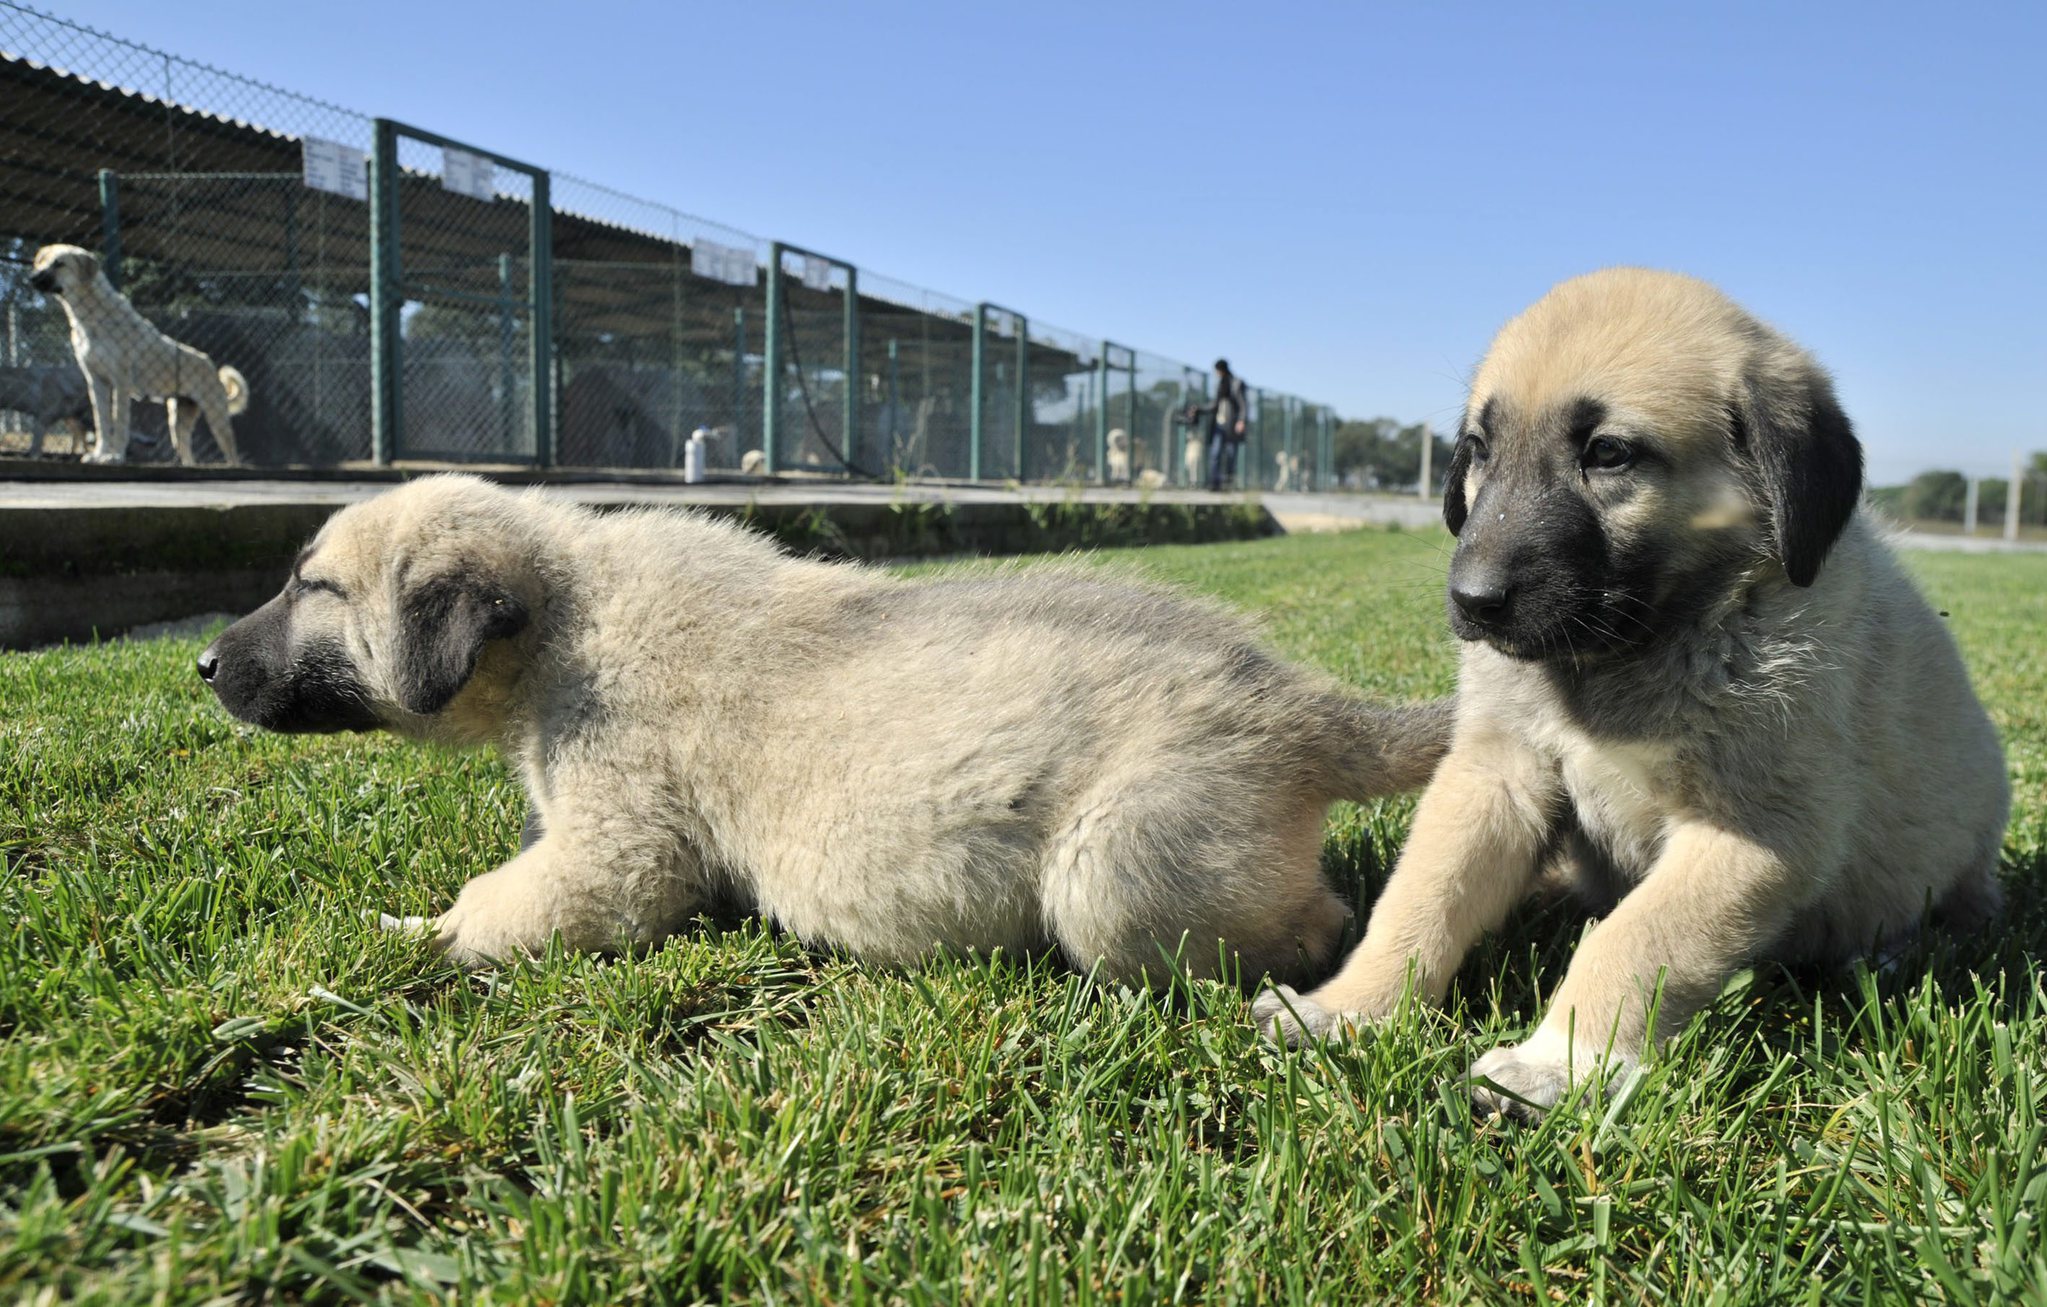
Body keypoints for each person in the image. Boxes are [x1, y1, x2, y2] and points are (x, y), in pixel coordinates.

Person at [1196, 359, 1248, 492]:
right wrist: (1199, 409)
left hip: (1232, 424)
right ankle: (1215, 482)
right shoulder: (1219, 385)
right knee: (1215, 453)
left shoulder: (1236, 383)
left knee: (1231, 454)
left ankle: (1228, 481)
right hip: (1218, 424)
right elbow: (1214, 405)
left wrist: (1241, 420)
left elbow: (1243, 404)